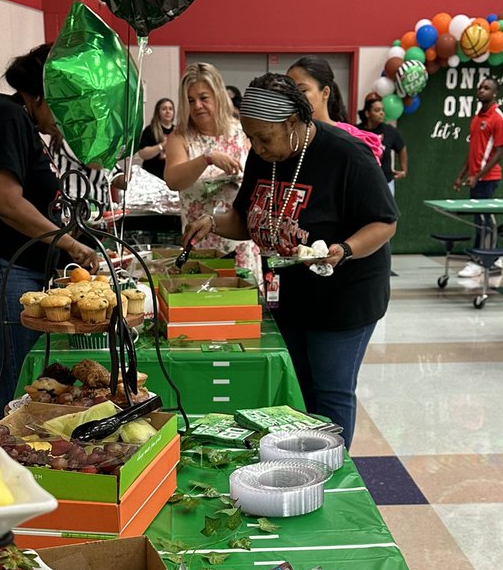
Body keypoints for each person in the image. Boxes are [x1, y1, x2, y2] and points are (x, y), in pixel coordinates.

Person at [182, 74, 398, 447]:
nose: (258, 148)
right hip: (290, 295)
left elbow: (384, 222)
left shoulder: (347, 155)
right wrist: (213, 222)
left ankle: (330, 469)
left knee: (330, 391)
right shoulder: (265, 158)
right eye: (252, 138)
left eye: (265, 138)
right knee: (299, 387)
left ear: (294, 122)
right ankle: (302, 459)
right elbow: (246, 218)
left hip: (345, 295)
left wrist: (343, 250)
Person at [0, 44, 98, 420]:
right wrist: (70, 244)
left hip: (9, 262)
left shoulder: (25, 125)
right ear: (41, 95)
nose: (64, 120)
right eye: (63, 108)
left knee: (24, 376)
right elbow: (7, 202)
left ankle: (21, 456)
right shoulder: (5, 117)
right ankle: (11, 462)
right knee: (11, 381)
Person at [164, 62, 259, 274]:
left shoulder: (242, 131)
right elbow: (173, 180)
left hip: (240, 244)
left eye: (203, 98)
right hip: (200, 243)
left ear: (218, 95)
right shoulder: (180, 137)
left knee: (244, 304)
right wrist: (207, 158)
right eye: (190, 100)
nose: (197, 105)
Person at [453, 77, 503, 277]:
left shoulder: (498, 117)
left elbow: (499, 152)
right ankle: (491, 255)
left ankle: (484, 261)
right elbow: (473, 151)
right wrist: (461, 176)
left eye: (487, 88)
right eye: (480, 87)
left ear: (494, 94)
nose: (482, 90)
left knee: (485, 219)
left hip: (489, 177)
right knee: (479, 219)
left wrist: (478, 176)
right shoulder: (477, 118)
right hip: (475, 177)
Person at [286, 56, 384, 162]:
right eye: (288, 92)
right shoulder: (284, 136)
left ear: (325, 92)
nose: (294, 97)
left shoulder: (352, 139)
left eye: (302, 90)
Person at [360, 94, 407, 196]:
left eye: (383, 110)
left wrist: (403, 169)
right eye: (377, 110)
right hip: (362, 182)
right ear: (368, 113)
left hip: (385, 182)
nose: (381, 113)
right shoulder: (358, 131)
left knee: (386, 212)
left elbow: (402, 148)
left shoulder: (389, 131)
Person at [136, 98, 175, 181]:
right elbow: (142, 154)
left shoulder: (177, 131)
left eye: (170, 109)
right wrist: (162, 146)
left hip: (172, 177)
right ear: (158, 112)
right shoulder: (150, 130)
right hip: (152, 177)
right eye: (164, 109)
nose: (168, 111)